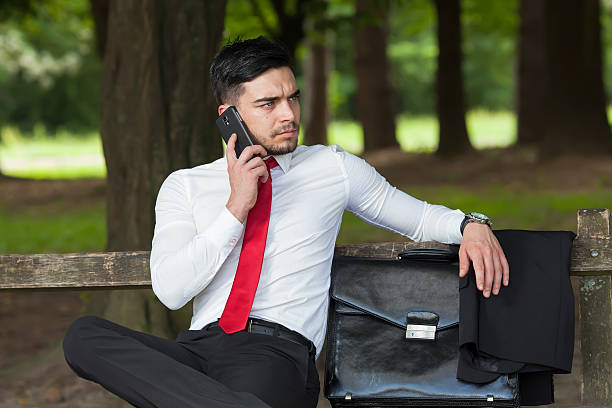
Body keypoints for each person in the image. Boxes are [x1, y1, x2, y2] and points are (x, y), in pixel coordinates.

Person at [62, 36, 509, 408]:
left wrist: (471, 223)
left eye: (292, 97)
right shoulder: (185, 186)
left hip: (277, 354)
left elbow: (419, 217)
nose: (289, 115)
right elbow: (172, 289)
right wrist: (236, 207)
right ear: (229, 117)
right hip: (194, 353)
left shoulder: (332, 168)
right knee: (84, 336)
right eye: (268, 103)